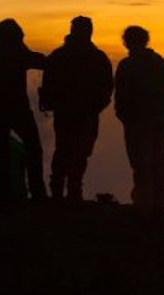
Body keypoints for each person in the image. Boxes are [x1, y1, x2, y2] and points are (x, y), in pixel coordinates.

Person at [0, 18, 47, 203]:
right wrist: (60, 59)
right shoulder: (16, 52)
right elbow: (38, 61)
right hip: (16, 110)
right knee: (33, 149)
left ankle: (1, 196)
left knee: (1, 154)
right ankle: (37, 193)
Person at [40, 15, 113, 201]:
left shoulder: (58, 56)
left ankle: (60, 189)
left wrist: (54, 104)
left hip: (67, 112)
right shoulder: (98, 57)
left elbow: (48, 84)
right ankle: (73, 190)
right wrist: (95, 107)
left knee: (64, 149)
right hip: (86, 113)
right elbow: (107, 88)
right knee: (80, 152)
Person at [114, 25, 164, 218]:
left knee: (140, 163)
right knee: (158, 160)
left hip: (138, 122)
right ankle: (160, 202)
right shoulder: (161, 63)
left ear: (127, 42)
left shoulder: (127, 65)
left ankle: (143, 205)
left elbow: (121, 97)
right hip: (162, 119)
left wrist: (125, 117)